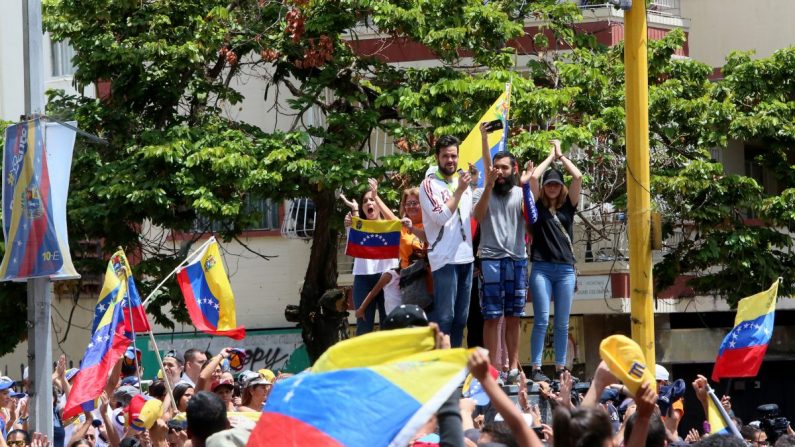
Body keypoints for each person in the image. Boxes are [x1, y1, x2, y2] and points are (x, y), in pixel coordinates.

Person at [473, 122, 538, 383]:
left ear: (514, 170)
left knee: (514, 317)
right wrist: (487, 184)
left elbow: (532, 218)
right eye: (496, 167)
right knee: (491, 317)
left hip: (517, 260)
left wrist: (525, 186)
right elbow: (477, 216)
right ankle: (494, 368)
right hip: (489, 258)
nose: (499, 172)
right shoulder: (482, 190)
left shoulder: (520, 193)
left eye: (504, 168)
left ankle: (512, 365)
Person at [528, 139, 582, 382]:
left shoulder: (569, 206)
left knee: (562, 323)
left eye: (556, 184)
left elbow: (578, 176)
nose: (551, 187)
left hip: (565, 270)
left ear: (561, 187)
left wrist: (562, 157)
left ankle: (561, 368)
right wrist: (550, 158)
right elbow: (532, 178)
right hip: (541, 268)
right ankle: (537, 367)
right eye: (548, 183)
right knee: (540, 320)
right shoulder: (537, 205)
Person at [419, 135, 475, 347]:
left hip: (466, 257)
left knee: (461, 319)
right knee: (445, 318)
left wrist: (472, 187)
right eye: (445, 156)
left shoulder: (463, 182)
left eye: (454, 156)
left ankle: (456, 368)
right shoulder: (429, 185)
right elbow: (441, 216)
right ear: (437, 157)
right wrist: (460, 190)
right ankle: (441, 366)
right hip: (444, 259)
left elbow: (471, 215)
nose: (450, 160)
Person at [342, 178, 400, 335]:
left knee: (388, 326)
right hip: (363, 279)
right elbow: (352, 237)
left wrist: (376, 194)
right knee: (363, 328)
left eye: (372, 200)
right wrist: (352, 215)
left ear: (378, 204)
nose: (369, 203)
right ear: (362, 207)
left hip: (387, 278)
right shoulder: (357, 225)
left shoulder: (390, 225)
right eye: (365, 201)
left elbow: (397, 223)